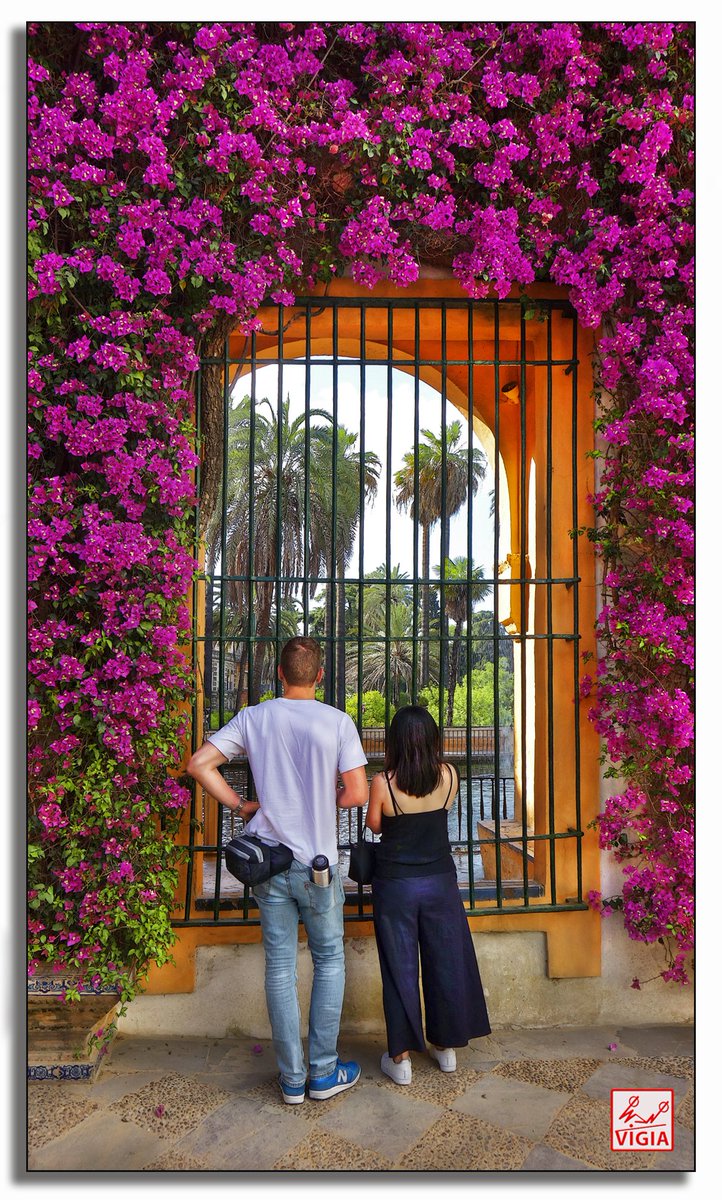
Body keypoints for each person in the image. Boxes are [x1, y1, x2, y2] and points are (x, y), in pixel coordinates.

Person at [187, 636, 369, 1105]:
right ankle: (324, 1073)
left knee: (280, 968)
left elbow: (200, 764)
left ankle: (292, 1079)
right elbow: (357, 795)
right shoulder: (337, 722)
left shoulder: (255, 718)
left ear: (281, 676)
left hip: (268, 865)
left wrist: (243, 805)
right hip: (318, 869)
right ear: (320, 676)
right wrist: (321, 798)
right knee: (329, 961)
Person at [365, 705, 491, 1085]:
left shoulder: (383, 783)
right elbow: (443, 810)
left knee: (399, 966)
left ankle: (401, 1059)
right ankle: (446, 1048)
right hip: (440, 883)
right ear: (433, 739)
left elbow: (374, 825)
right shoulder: (450, 775)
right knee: (446, 960)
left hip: (397, 886)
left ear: (395, 743)